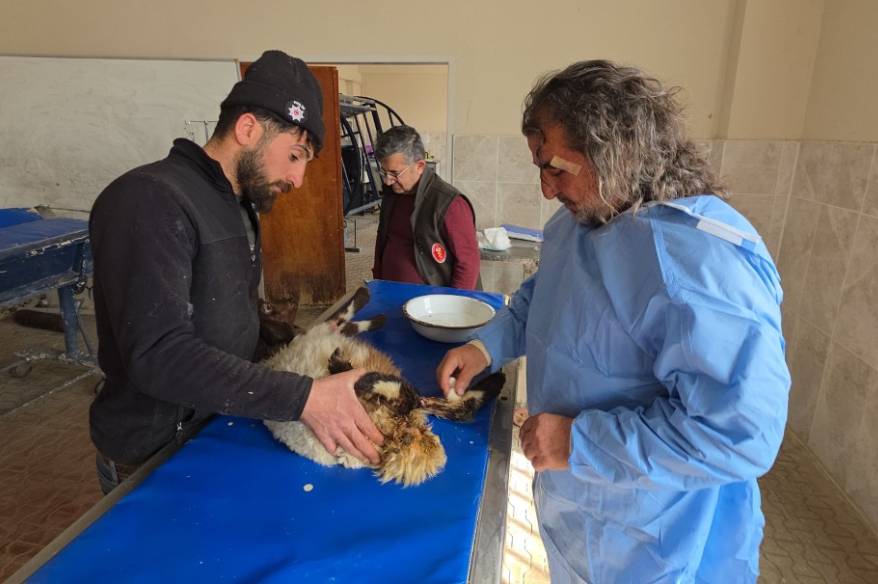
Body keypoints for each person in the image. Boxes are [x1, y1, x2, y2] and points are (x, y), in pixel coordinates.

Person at [437, 60, 790, 583]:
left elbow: (738, 434)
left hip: (656, 538)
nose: (546, 190)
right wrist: (488, 346)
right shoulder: (580, 223)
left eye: (557, 167)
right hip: (579, 510)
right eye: (540, 168)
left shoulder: (700, 264)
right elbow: (544, 298)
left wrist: (580, 443)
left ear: (616, 152)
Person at [89, 50, 383, 494]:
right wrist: (303, 398)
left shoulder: (239, 206)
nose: (299, 179)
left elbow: (225, 316)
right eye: (296, 155)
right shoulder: (149, 200)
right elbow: (159, 354)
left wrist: (298, 345)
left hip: (212, 428)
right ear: (248, 129)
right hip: (152, 456)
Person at [372, 125, 480, 289]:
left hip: (432, 307)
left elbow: (468, 265)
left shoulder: (450, 203)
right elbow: (383, 240)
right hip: (389, 295)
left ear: (420, 166)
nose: (388, 181)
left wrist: (452, 308)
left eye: (394, 173)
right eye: (384, 172)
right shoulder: (392, 194)